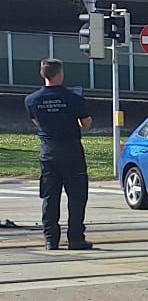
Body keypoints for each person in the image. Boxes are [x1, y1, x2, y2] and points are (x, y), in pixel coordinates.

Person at [23, 58, 93, 252]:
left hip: (49, 152)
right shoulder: (73, 98)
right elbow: (86, 124)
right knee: (77, 198)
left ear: (42, 74)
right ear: (60, 74)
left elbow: (38, 122)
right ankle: (76, 238)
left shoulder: (31, 100)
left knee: (50, 197)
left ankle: (51, 239)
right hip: (72, 152)